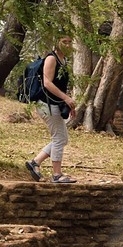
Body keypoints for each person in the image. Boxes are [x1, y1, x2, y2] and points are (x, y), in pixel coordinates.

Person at [25, 36, 77, 184]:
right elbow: (47, 83)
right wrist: (66, 98)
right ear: (57, 42)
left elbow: (60, 86)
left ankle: (35, 162)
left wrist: (68, 105)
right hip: (46, 104)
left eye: (69, 41)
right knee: (59, 138)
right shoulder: (51, 58)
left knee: (62, 139)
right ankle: (56, 174)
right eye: (64, 41)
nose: (67, 44)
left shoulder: (64, 60)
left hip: (56, 104)